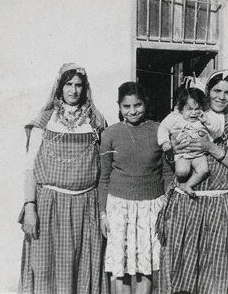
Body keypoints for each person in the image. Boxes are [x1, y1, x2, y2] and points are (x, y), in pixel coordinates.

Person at [157, 69, 228, 294]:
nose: (221, 97)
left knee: (215, 271)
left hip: (219, 206)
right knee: (183, 266)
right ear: (207, 92)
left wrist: (211, 148)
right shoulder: (186, 117)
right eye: (216, 90)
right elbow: (172, 159)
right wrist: (174, 149)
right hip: (186, 203)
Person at [18, 63, 108, 293]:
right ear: (59, 87)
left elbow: (105, 168)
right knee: (45, 267)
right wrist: (30, 209)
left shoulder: (96, 122)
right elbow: (30, 168)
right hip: (50, 206)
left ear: (85, 88)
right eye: (68, 84)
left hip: (85, 207)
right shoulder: (44, 121)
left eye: (78, 85)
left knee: (82, 268)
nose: (73, 90)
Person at [98, 82, 169, 294]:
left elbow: (167, 173)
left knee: (144, 267)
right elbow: (104, 177)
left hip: (151, 207)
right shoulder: (110, 134)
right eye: (126, 106)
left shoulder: (159, 130)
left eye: (137, 105)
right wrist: (103, 214)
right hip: (119, 207)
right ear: (119, 106)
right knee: (120, 266)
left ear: (145, 104)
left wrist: (166, 207)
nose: (132, 111)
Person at [158, 86, 222, 195]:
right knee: (182, 171)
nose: (193, 113)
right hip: (182, 153)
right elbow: (163, 128)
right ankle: (181, 184)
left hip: (199, 154)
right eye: (189, 109)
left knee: (203, 171)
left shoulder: (204, 118)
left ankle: (188, 185)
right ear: (181, 109)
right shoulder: (175, 117)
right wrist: (165, 142)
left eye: (197, 109)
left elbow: (216, 128)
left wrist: (206, 120)